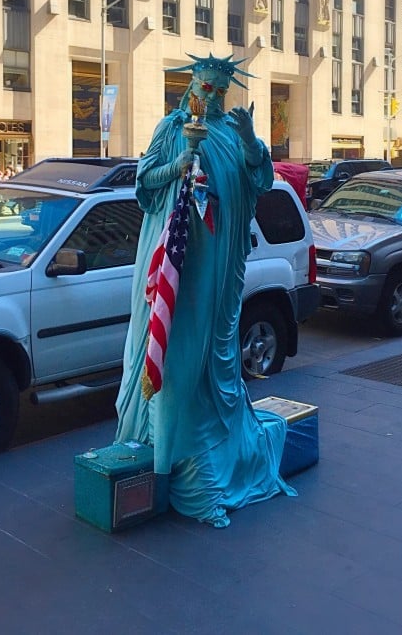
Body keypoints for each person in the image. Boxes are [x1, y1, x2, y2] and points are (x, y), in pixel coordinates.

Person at [115, 52, 293, 528]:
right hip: (179, 267)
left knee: (214, 360)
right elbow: (144, 184)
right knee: (175, 357)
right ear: (190, 86)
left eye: (219, 90)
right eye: (204, 88)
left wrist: (254, 144)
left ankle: (206, 446)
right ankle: (167, 455)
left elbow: (262, 182)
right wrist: (179, 165)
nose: (210, 97)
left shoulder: (234, 135)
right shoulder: (172, 128)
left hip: (220, 268)